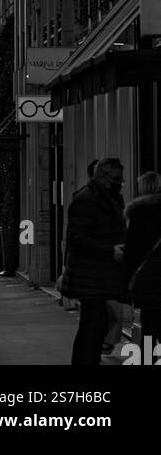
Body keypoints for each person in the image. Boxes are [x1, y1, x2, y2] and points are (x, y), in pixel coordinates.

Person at [60, 156, 127, 366]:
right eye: (117, 179)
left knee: (94, 324)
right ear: (104, 177)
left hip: (99, 274)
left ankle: (86, 361)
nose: (119, 183)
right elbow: (77, 238)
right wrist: (110, 250)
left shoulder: (110, 198)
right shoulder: (86, 199)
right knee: (94, 323)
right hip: (90, 275)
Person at [124, 169, 161, 355]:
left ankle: (147, 359)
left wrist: (126, 280)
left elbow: (131, 250)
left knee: (148, 328)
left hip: (146, 278)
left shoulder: (138, 213)